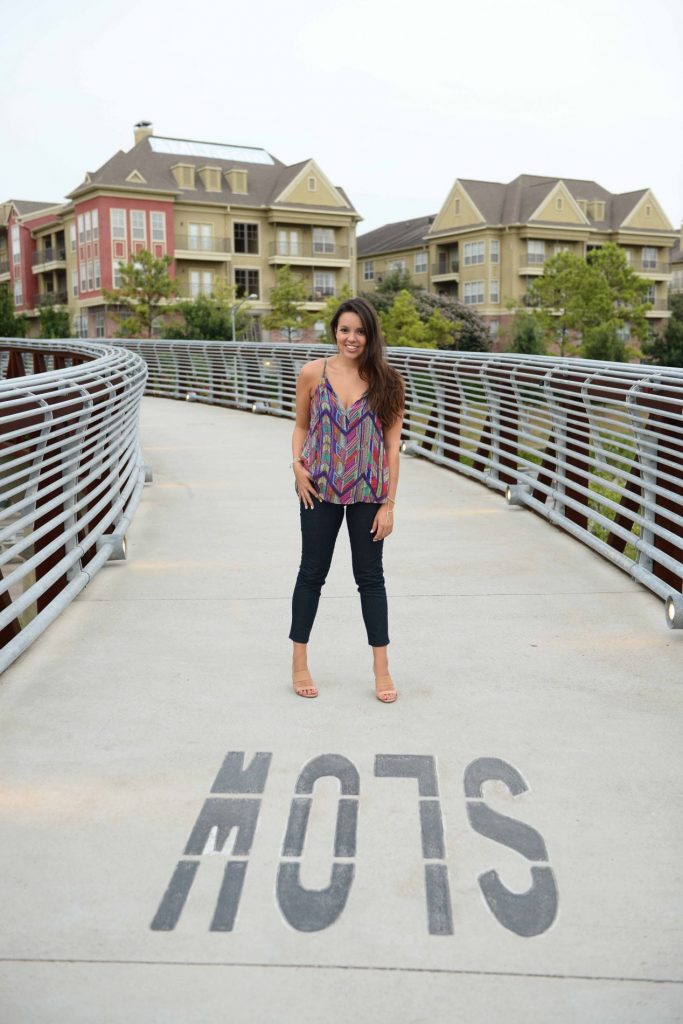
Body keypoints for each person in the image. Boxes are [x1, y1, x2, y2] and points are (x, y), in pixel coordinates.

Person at [289, 296, 405, 703]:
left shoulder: (388, 381)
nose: (351, 338)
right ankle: (299, 661)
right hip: (317, 489)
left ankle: (381, 668)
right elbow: (301, 427)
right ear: (335, 331)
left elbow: (392, 448)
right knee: (311, 574)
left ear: (370, 335)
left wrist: (389, 504)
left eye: (359, 331)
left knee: (371, 580)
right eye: (344, 330)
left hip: (368, 494)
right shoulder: (311, 374)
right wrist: (297, 466)